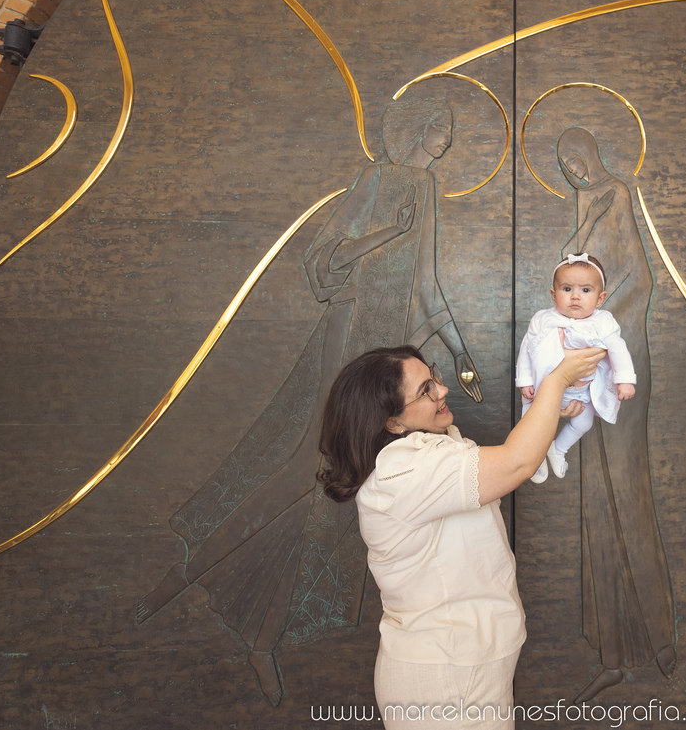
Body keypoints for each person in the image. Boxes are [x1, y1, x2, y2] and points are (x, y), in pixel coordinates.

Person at [136, 99, 482, 706]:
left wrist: (461, 353)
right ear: (416, 129)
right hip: (352, 340)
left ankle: (262, 637)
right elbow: (324, 259)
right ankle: (176, 578)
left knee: (333, 507)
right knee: (310, 465)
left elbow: (426, 282)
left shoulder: (425, 186)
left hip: (391, 349)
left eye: (451, 134)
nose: (445, 142)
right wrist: (386, 233)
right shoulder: (378, 178)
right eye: (440, 129)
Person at [317, 343, 605, 729]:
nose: (442, 390)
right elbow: (516, 462)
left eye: (433, 376)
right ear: (392, 423)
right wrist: (558, 381)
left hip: (466, 669)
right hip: (444, 678)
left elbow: (509, 458)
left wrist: (551, 407)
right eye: (425, 390)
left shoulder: (432, 449)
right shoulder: (402, 472)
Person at [554, 127, 677, 700]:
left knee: (625, 488)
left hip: (619, 364)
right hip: (584, 365)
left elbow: (639, 280)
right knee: (595, 500)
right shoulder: (587, 202)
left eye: (577, 157)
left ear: (594, 153)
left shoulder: (618, 193)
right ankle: (611, 650)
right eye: (563, 163)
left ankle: (658, 635)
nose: (574, 169)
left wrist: (595, 336)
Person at [515, 253, 636, 483]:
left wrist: (625, 379)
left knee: (584, 422)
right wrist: (525, 380)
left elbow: (618, 349)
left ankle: (557, 449)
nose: (575, 297)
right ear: (553, 294)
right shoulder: (542, 319)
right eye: (567, 289)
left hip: (581, 393)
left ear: (600, 299)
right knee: (530, 420)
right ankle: (534, 455)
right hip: (542, 388)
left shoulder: (603, 322)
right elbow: (526, 350)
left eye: (586, 290)